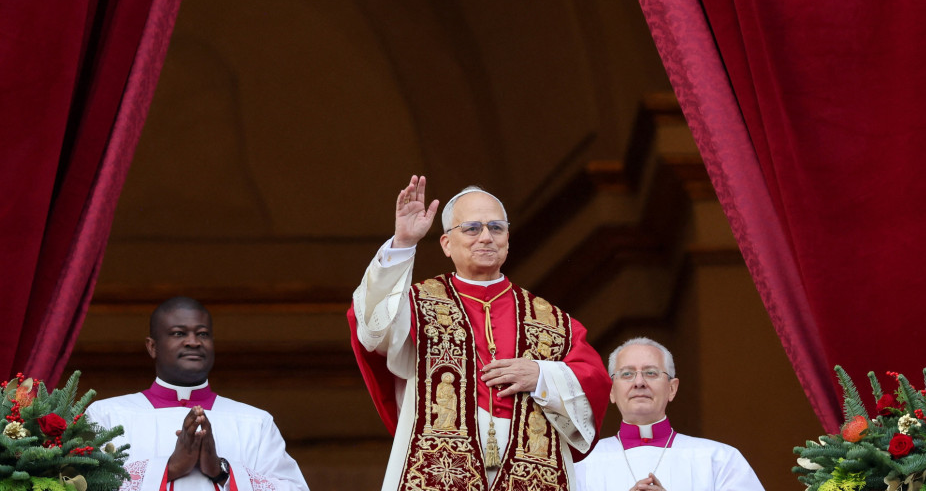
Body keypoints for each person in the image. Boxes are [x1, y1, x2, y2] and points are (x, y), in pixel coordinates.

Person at [348, 175, 612, 491]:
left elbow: (595, 380)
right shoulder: (414, 303)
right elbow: (371, 328)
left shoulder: (553, 321)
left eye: (496, 228)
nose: (485, 237)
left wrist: (541, 375)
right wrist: (403, 244)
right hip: (440, 466)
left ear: (508, 239)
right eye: (472, 228)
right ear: (446, 243)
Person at [87, 297, 309, 491]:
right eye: (179, 333)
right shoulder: (107, 415)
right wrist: (169, 468)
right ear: (152, 347)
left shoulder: (256, 422)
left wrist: (222, 470)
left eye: (202, 333)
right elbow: (79, 483)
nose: (193, 342)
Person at [575, 338, 764, 491]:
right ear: (612, 391)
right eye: (626, 374)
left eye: (651, 373)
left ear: (672, 389)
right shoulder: (580, 464)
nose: (639, 382)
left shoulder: (719, 459)